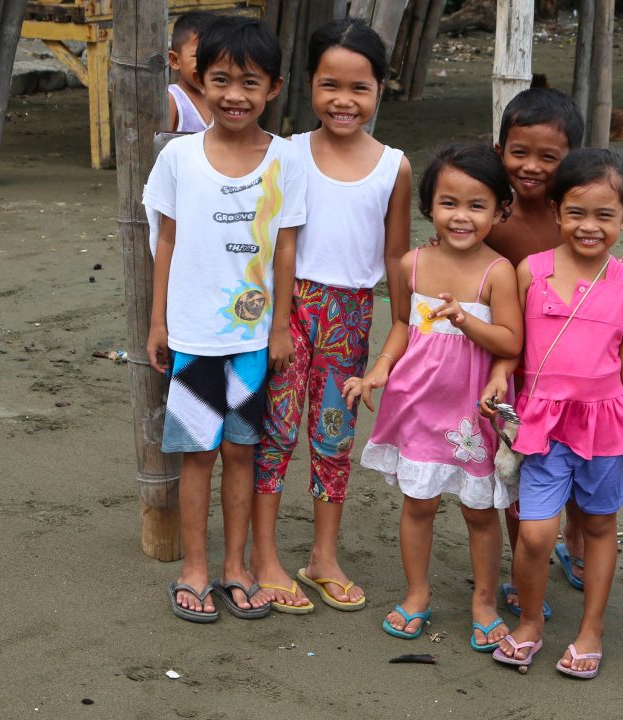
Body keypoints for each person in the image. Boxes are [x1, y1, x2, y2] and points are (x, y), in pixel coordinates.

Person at [485, 148, 623, 679]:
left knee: (599, 524)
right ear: (556, 210)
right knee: (537, 532)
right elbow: (514, 345)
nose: (590, 227)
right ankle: (529, 622)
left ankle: (591, 628)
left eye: (605, 215)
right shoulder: (531, 270)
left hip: (604, 423)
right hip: (542, 423)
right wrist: (501, 374)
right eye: (577, 213)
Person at [144, 16, 305, 622]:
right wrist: (159, 324)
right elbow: (166, 241)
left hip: (252, 340)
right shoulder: (179, 157)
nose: (235, 94)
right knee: (197, 453)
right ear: (196, 80)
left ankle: (235, 566)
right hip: (191, 336)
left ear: (274, 88)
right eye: (220, 80)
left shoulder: (285, 161)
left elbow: (285, 247)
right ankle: (196, 567)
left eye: (250, 82)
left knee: (242, 451)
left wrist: (281, 327)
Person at [251, 18, 412, 614]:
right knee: (276, 433)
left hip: (352, 316)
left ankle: (322, 558)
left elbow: (395, 253)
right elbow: (269, 240)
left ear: (380, 89)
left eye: (359, 88)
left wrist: (400, 327)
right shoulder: (285, 152)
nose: (343, 101)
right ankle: (265, 558)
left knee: (333, 437)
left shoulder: (394, 165)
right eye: (329, 85)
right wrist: (273, 322)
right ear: (308, 86)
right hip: (288, 310)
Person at [345, 143, 522, 650]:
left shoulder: (498, 272)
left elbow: (511, 340)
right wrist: (378, 370)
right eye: (449, 203)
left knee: (479, 512)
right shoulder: (412, 265)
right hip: (418, 403)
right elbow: (404, 324)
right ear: (429, 206)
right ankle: (417, 593)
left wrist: (466, 320)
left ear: (499, 210)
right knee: (417, 504)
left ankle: (483, 602)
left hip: (472, 412)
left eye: (476, 205)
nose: (461, 216)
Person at [486, 87, 589, 618]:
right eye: (518, 152)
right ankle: (523, 569)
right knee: (518, 473)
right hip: (513, 373)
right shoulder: (491, 217)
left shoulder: (574, 215)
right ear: (498, 147)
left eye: (549, 157)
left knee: (574, 464)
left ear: (573, 158)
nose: (531, 166)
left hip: (576, 374)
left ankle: (568, 544)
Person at [166, 11, 217, 132]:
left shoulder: (222, 99)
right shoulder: (172, 99)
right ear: (175, 60)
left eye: (215, 56)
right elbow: (159, 148)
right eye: (198, 56)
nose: (208, 64)